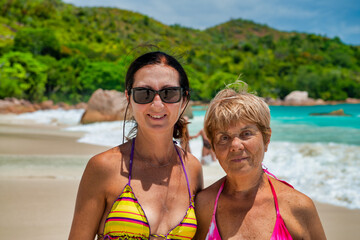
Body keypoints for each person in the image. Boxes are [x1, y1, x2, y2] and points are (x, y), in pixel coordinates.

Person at [69, 51, 203, 240]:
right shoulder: (104, 167)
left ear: (184, 100)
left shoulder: (192, 169)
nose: (157, 104)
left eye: (169, 93)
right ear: (129, 98)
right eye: (144, 93)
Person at [194, 85, 326, 240]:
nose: (235, 145)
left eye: (246, 134)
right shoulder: (204, 205)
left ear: (266, 138)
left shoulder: (296, 206)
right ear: (214, 147)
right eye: (224, 137)